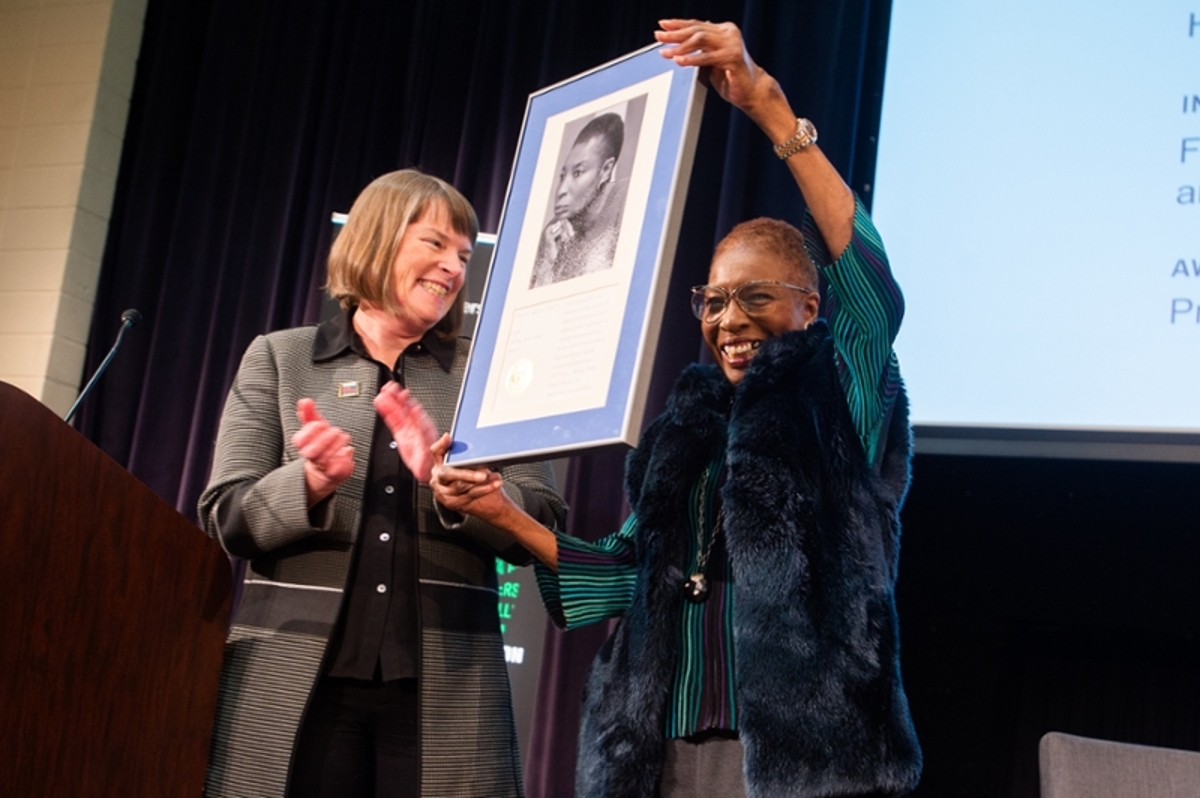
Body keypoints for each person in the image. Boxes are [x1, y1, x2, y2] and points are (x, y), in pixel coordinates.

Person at [386, 20, 923, 798]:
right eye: (715, 300)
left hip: (803, 766)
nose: (729, 319)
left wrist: (768, 106)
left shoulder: (841, 399)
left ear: (811, 307)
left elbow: (875, 293)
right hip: (660, 761)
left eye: (756, 297)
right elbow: (621, 582)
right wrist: (503, 514)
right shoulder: (687, 429)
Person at [197, 169, 567, 798]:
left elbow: (544, 515)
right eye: (434, 244)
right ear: (374, 241)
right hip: (291, 682)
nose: (453, 267)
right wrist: (308, 483)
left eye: (461, 253)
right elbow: (225, 515)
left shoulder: (489, 374)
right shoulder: (280, 359)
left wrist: (467, 495)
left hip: (449, 690)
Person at [529, 111, 629, 288]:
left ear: (605, 170)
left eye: (578, 173)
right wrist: (548, 262)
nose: (561, 190)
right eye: (562, 175)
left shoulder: (627, 200)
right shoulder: (553, 232)